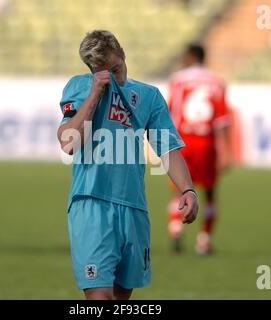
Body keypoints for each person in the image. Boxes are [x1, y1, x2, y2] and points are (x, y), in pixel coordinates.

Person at [57, 30, 199, 300]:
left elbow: (167, 148)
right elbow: (68, 142)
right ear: (92, 71)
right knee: (100, 297)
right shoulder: (80, 87)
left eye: (116, 68)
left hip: (134, 208)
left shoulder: (149, 96)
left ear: (123, 55)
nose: (114, 76)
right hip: (92, 204)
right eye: (105, 72)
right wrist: (95, 94)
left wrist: (187, 190)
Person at [166, 43, 231, 255]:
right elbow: (222, 121)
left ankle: (176, 228)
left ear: (192, 56)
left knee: (179, 190)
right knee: (210, 193)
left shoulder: (178, 80)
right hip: (206, 144)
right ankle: (204, 240)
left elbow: (171, 115)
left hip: (182, 143)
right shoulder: (216, 82)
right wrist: (226, 151)